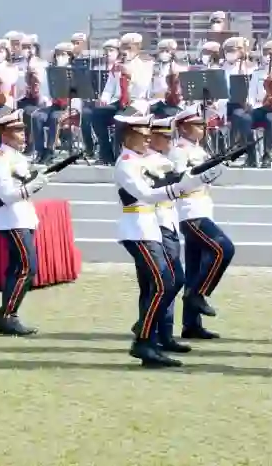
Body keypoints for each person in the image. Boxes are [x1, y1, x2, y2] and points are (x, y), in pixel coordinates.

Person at [113, 111, 210, 367]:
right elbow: (145, 194)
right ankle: (144, 340)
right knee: (164, 281)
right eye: (142, 137)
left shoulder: (147, 160)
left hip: (152, 228)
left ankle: (149, 336)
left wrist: (192, 179)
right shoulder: (126, 163)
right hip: (137, 229)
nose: (148, 141)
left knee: (169, 281)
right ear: (128, 136)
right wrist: (180, 186)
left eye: (148, 137)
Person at [169, 107, 235, 340]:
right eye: (197, 124)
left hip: (202, 207)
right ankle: (198, 293)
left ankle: (191, 325)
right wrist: (208, 172)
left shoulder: (199, 150)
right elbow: (182, 180)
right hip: (189, 211)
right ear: (184, 127)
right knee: (224, 248)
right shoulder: (177, 151)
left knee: (195, 267)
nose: (202, 128)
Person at [0, 109, 48, 336]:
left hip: (22, 216)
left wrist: (36, 178)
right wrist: (35, 184)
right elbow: (6, 195)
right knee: (27, 267)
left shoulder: (17, 157)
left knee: (17, 269)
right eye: (16, 131)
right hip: (11, 218)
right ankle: (7, 315)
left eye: (23, 130)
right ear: (4, 134)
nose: (23, 135)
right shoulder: (0, 159)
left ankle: (7, 315)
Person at [139, 114, 190, 354]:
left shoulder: (164, 160)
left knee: (164, 282)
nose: (169, 142)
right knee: (161, 282)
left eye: (171, 137)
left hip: (168, 223)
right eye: (164, 137)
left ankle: (163, 333)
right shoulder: (148, 162)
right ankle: (149, 331)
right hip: (155, 224)